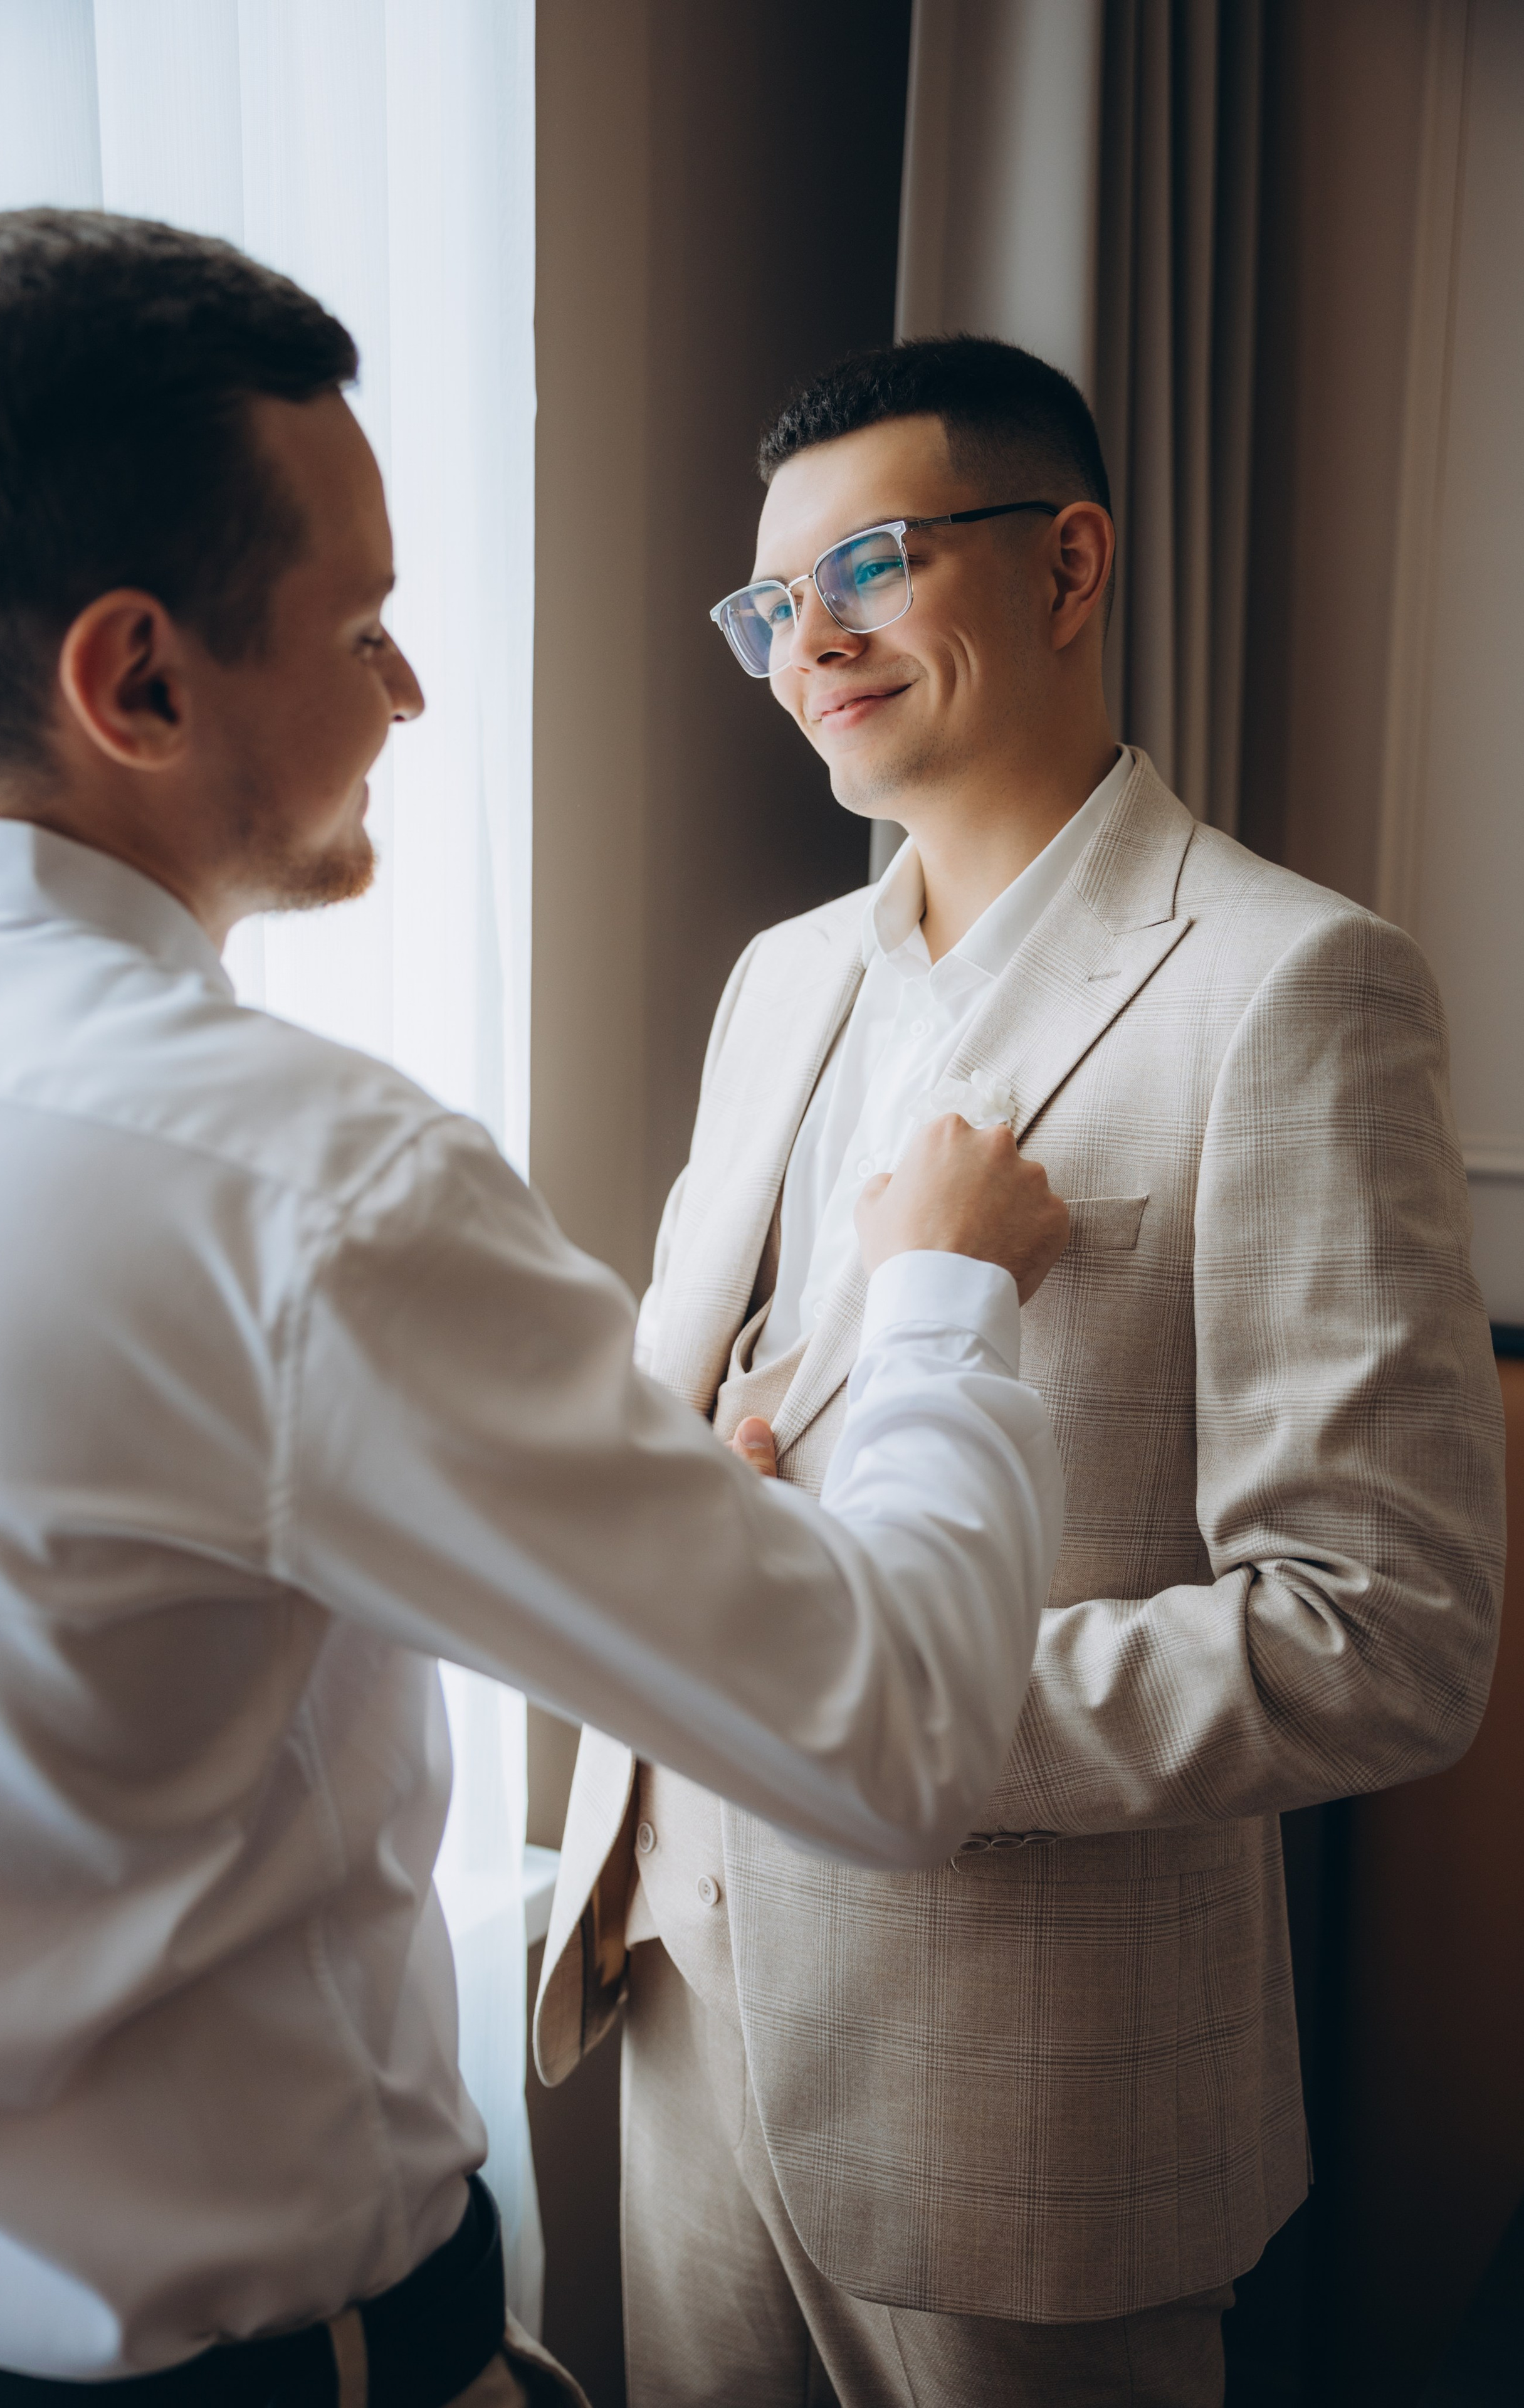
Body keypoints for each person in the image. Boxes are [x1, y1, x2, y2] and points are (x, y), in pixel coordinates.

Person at [0, 223, 1076, 2408]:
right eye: (361, 627)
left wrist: (628, 1511)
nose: (409, 691)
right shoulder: (302, 1197)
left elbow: (100, 1635)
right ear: (137, 682)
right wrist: (937, 1306)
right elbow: (899, 1727)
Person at [535, 335, 1508, 2407]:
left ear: (1070, 568)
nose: (812, 643)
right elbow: (702, 1410)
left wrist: (893, 1710)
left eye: (871, 563)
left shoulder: (1293, 989)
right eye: (770, 604)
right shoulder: (779, 976)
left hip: (1028, 2111)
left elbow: (1388, 1635)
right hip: (688, 1994)